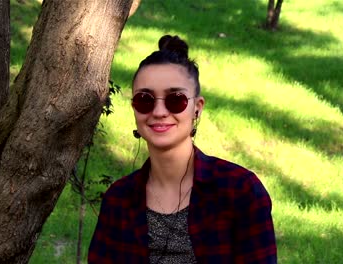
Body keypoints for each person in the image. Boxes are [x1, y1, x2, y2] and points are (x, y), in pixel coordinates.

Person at [88, 35, 277, 264]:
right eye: (145, 99)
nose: (158, 111)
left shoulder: (241, 192)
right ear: (134, 108)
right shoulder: (118, 200)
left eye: (175, 99)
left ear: (197, 108)